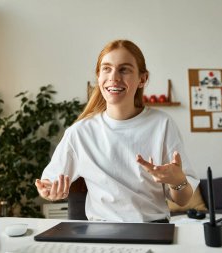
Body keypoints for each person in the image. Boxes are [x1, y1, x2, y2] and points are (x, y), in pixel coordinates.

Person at [35, 39, 199, 222]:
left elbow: (183, 200)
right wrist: (50, 191)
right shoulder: (79, 133)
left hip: (153, 229)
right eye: (106, 68)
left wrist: (177, 181)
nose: (114, 77)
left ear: (142, 79)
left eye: (124, 69)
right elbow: (48, 184)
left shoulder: (162, 124)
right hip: (100, 233)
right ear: (98, 76)